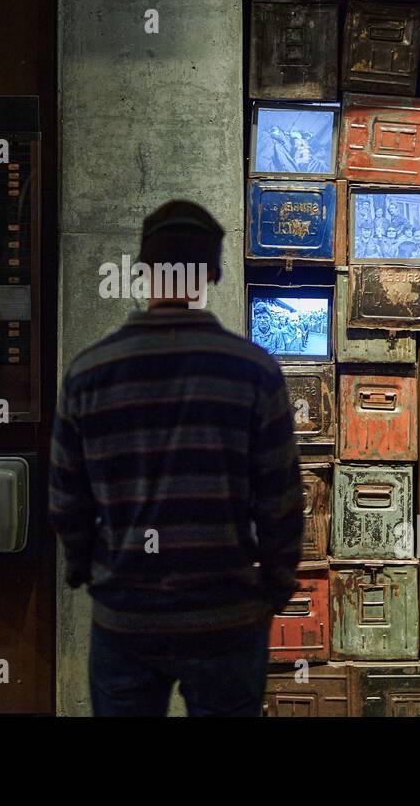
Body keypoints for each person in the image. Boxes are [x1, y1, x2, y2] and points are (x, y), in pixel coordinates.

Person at [50, 200, 303, 717]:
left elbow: (65, 498)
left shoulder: (89, 372)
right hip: (226, 613)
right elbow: (281, 498)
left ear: (143, 271)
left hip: (127, 614)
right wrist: (275, 584)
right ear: (210, 273)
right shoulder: (253, 371)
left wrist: (85, 567)